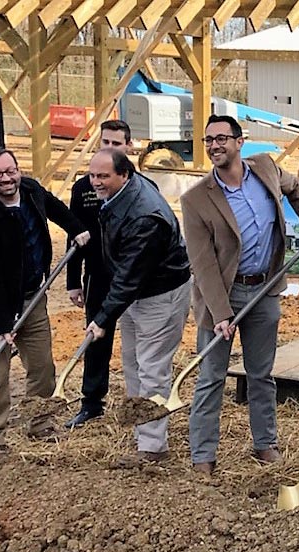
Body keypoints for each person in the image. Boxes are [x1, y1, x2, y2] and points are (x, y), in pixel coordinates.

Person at [180, 115, 299, 476]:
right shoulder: (196, 199)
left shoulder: (265, 169)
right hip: (223, 295)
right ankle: (203, 455)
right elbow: (203, 263)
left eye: (222, 138)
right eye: (208, 139)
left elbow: (296, 189)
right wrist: (222, 314)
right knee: (212, 376)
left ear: (240, 142)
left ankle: (264, 444)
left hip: (265, 291)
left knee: (261, 374)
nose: (214, 145)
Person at [0, 146, 89, 450]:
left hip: (33, 297)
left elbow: (55, 207)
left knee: (43, 368)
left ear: (19, 170)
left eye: (10, 171)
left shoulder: (30, 190)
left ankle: (39, 423)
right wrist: (4, 324)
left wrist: (76, 229)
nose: (6, 179)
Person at [84, 148, 191, 468]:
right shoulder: (122, 195)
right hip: (136, 294)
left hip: (160, 295)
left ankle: (154, 447)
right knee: (132, 361)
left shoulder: (145, 216)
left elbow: (130, 275)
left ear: (124, 174)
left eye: (103, 176)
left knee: (152, 368)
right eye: (92, 175)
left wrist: (102, 318)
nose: (96, 182)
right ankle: (142, 429)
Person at [65, 119, 135, 429]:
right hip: (97, 275)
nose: (109, 148)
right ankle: (92, 403)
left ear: (128, 148)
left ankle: (139, 401)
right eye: (105, 142)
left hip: (134, 277)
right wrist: (72, 281)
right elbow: (74, 234)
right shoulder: (83, 188)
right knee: (96, 338)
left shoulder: (141, 186)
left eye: (116, 144)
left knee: (138, 340)